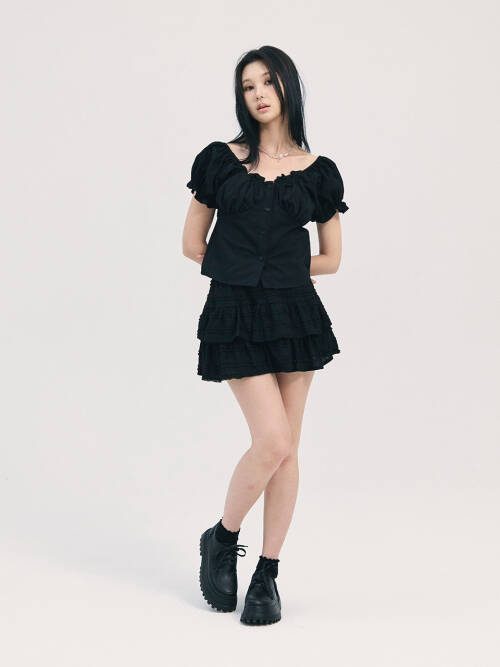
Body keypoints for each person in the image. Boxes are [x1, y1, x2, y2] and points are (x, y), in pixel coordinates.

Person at [182, 46, 349, 625]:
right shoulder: (220, 161)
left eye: (267, 81)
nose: (258, 93)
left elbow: (331, 258)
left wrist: (283, 269)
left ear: (287, 87)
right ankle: (223, 537)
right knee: (271, 441)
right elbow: (192, 244)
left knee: (287, 452)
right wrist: (245, 270)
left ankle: (267, 573)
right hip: (236, 309)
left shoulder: (318, 171)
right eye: (247, 85)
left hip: (294, 311)